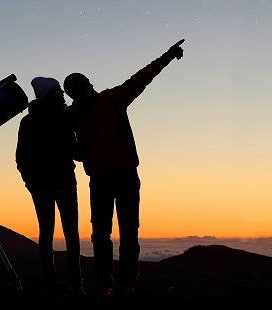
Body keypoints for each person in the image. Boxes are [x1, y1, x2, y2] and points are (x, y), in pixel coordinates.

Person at [63, 39, 185, 295]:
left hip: (118, 176)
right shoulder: (77, 115)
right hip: (105, 178)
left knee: (124, 232)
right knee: (107, 234)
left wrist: (167, 56)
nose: (89, 86)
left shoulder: (111, 99)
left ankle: (123, 283)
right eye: (84, 84)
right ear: (78, 90)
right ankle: (110, 284)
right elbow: (72, 148)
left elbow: (143, 77)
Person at [16, 77, 82, 294]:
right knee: (71, 234)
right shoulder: (66, 118)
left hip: (42, 187)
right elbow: (75, 150)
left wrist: (30, 183)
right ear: (49, 94)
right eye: (58, 91)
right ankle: (76, 282)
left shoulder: (28, 122)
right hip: (64, 184)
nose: (62, 94)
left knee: (46, 233)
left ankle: (50, 277)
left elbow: (21, 157)